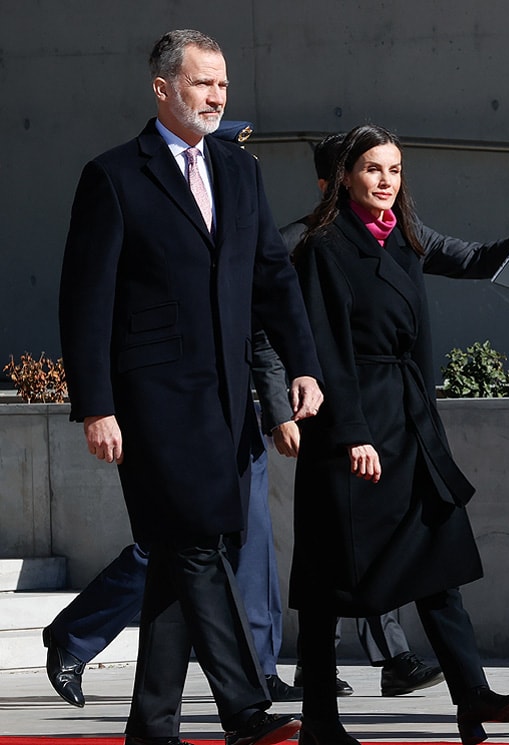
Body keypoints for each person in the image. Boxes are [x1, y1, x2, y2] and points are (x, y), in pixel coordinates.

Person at [58, 28, 323, 745]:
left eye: (223, 84)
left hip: (225, 402)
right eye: (203, 82)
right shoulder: (113, 175)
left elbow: (271, 275)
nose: (216, 95)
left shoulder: (240, 173)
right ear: (162, 88)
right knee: (195, 546)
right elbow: (85, 302)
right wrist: (97, 405)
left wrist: (302, 365)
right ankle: (243, 706)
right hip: (149, 407)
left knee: (182, 559)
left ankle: (151, 725)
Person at [288, 123, 509, 745]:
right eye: (372, 169)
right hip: (353, 431)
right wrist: (350, 433)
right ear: (344, 178)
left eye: (394, 169)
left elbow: (472, 258)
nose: (387, 181)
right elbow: (323, 347)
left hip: (411, 422)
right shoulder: (322, 246)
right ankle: (320, 722)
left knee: (438, 557)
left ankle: (472, 697)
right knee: (331, 581)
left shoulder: (406, 237)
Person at [42, 339, 303, 707]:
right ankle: (75, 634)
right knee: (174, 544)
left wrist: (278, 409)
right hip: (180, 401)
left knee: (251, 541)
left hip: (239, 411)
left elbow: (259, 326)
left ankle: (261, 672)